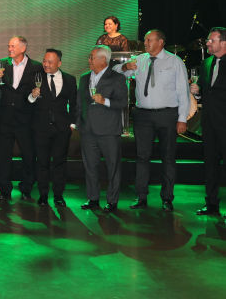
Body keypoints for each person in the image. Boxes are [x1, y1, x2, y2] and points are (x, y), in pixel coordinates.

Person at [114, 29, 189, 212]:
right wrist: (125, 67)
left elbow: (183, 92)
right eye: (145, 40)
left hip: (167, 115)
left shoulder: (175, 61)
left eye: (149, 40)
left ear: (161, 42)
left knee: (168, 157)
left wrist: (182, 119)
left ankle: (167, 198)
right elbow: (116, 73)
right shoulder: (140, 59)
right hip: (143, 116)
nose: (145, 43)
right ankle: (141, 196)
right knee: (142, 156)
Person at [77, 46, 127, 212]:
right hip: (88, 130)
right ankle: (93, 198)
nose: (89, 60)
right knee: (90, 167)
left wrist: (104, 101)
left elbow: (123, 103)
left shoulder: (117, 78)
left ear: (103, 59)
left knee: (113, 167)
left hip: (109, 131)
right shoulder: (84, 78)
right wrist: (78, 123)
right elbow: (79, 103)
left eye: (92, 57)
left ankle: (112, 201)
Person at [0, 36, 41, 201]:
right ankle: (4, 190)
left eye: (12, 46)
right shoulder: (3, 63)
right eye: (9, 46)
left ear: (23, 48)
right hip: (5, 119)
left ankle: (26, 188)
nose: (9, 49)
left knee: (28, 156)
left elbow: (37, 91)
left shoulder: (36, 67)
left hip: (26, 120)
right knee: (3, 157)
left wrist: (34, 96)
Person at [28, 49, 77, 207]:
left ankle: (58, 195)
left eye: (50, 62)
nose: (46, 64)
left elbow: (74, 104)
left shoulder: (69, 79)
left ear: (59, 63)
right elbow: (27, 101)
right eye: (44, 61)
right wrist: (32, 96)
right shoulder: (36, 77)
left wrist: (72, 124)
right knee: (42, 163)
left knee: (59, 163)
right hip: (40, 128)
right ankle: (43, 195)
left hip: (61, 129)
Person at [190, 27, 226, 216]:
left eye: (212, 40)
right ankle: (211, 204)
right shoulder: (206, 63)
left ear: (224, 43)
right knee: (210, 164)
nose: (208, 43)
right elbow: (206, 90)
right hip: (209, 124)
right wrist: (197, 90)